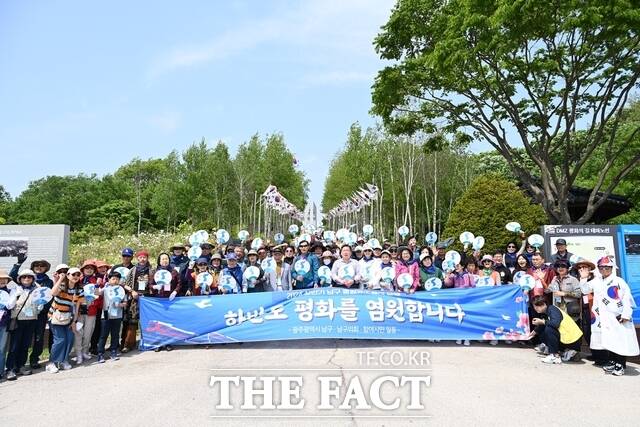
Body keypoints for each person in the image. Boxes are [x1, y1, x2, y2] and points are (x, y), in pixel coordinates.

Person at [586, 256, 639, 376]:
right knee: (610, 339)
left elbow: (627, 299)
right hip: (604, 317)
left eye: (607, 267)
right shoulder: (597, 281)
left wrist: (626, 314)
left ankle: (620, 364)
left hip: (618, 315)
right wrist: (584, 278)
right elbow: (585, 289)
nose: (604, 269)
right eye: (601, 267)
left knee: (620, 339)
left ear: (612, 268)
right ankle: (613, 360)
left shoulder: (619, 281)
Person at [9, 257, 54, 371]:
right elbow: (12, 275)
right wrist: (18, 263)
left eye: (42, 265)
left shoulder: (48, 282)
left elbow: (49, 297)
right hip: (21, 317)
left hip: (38, 315)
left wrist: (42, 309)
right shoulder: (20, 285)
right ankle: (12, 367)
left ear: (45, 268)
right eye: (36, 265)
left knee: (36, 339)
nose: (39, 267)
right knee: (17, 343)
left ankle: (33, 360)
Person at [5, 269, 44, 380]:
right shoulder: (15, 289)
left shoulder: (36, 290)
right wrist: (15, 296)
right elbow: (10, 305)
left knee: (25, 345)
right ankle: (10, 368)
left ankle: (21, 365)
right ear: (20, 279)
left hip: (31, 320)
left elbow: (39, 304)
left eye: (29, 277)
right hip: (18, 320)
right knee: (14, 346)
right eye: (24, 277)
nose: (26, 279)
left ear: (33, 279)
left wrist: (39, 307)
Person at [47, 267, 84, 374]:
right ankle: (52, 363)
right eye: (73, 275)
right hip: (55, 316)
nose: (76, 277)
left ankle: (63, 360)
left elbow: (77, 307)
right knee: (60, 340)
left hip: (69, 317)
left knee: (69, 339)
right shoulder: (62, 286)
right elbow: (53, 293)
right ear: (68, 275)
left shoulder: (79, 289)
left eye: (78, 275)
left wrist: (74, 321)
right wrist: (59, 280)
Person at [528, 296, 583, 364]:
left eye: (537, 306)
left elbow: (555, 324)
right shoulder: (547, 312)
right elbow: (545, 323)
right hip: (568, 339)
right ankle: (563, 352)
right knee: (543, 328)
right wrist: (535, 331)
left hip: (572, 340)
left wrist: (542, 322)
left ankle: (554, 355)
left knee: (549, 328)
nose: (535, 308)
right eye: (534, 306)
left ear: (544, 304)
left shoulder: (552, 309)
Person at [122, 250, 151, 352]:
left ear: (147, 258)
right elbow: (124, 284)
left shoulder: (151, 270)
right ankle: (129, 344)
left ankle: (149, 342)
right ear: (137, 258)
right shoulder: (133, 270)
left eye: (144, 257)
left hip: (148, 299)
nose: (142, 259)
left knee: (149, 322)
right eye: (140, 257)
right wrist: (132, 291)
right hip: (135, 298)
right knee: (132, 321)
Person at [96, 271, 128, 363]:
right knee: (103, 335)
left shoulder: (121, 290)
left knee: (115, 334)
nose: (115, 281)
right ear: (109, 279)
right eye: (113, 279)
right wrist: (97, 285)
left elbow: (125, 303)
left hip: (117, 315)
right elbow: (97, 294)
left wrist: (120, 305)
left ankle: (113, 351)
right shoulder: (105, 289)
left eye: (117, 279)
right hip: (106, 314)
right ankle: (100, 353)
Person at [74, 260, 98, 365]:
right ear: (83, 269)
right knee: (78, 332)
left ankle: (85, 351)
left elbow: (98, 295)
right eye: (87, 268)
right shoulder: (77, 279)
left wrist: (97, 289)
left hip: (91, 310)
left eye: (91, 268)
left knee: (88, 332)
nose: (89, 270)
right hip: (78, 311)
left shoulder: (96, 281)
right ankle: (78, 353)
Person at [546, 260, 582, 325]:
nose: (560, 268)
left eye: (563, 266)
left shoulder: (573, 279)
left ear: (568, 268)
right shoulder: (554, 279)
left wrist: (564, 293)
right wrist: (541, 279)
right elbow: (547, 290)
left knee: (572, 329)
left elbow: (579, 294)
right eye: (558, 266)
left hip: (570, 309)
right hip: (558, 308)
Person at [0, 268, 17, 381]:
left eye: (4, 279)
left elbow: (10, 306)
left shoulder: (10, 291)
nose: (2, 281)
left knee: (1, 349)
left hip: (4, 324)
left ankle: (1, 371)